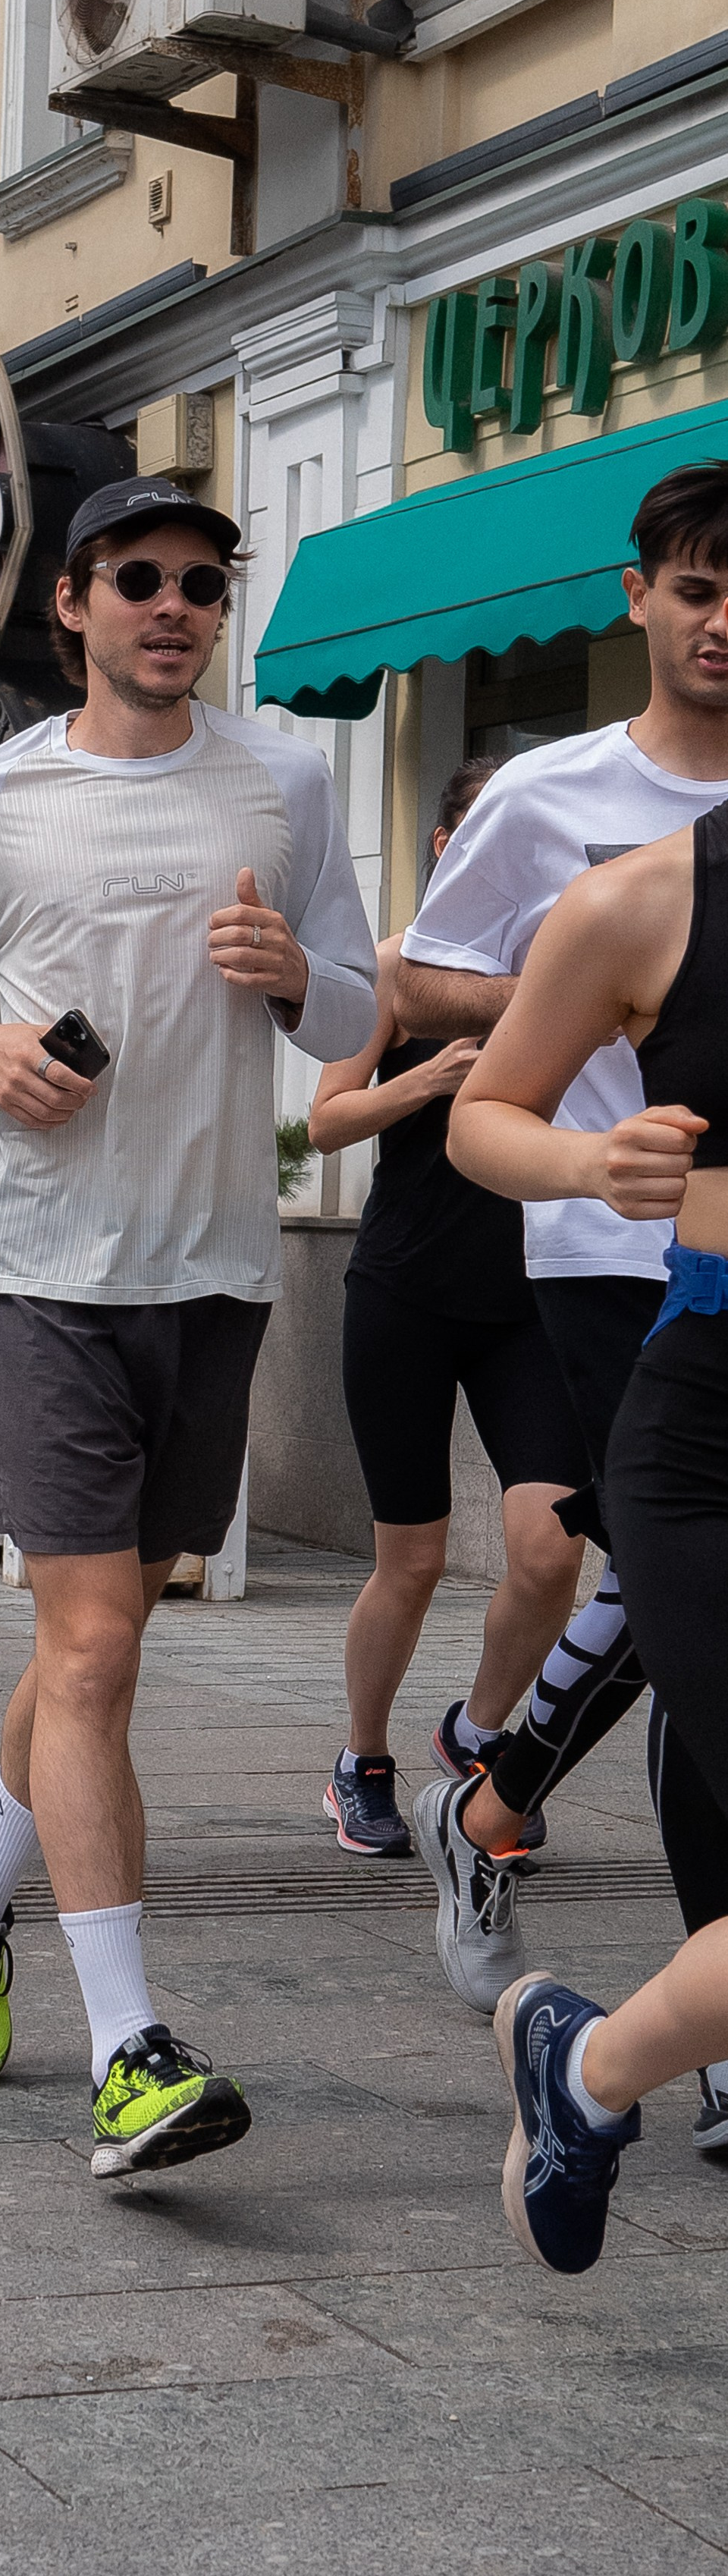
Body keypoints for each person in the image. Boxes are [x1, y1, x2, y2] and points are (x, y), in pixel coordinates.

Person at [0, 475, 378, 2179]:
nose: (174, 605)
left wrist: (294, 975)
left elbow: (356, 1008)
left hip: (213, 1273)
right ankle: (131, 2049)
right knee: (92, 1651)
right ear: (71, 604)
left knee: (108, 1633)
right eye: (138, 577)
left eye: (203, 583)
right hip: (41, 1274)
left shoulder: (286, 779)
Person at [397, 462, 728, 2037]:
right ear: (638, 598)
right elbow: (422, 981)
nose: (722, 624)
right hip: (605, 1236)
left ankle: (494, 1796)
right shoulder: (552, 799)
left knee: (676, 1608)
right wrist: (602, 994)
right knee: (673, 1593)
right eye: (698, 591)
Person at [447, 762, 728, 2263]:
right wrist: (589, 1163)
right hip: (712, 1429)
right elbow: (484, 1114)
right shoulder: (649, 897)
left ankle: (589, 2068)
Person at [309, 761, 586, 1860]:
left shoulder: (575, 971)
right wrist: (425, 1081)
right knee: (412, 1560)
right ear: (444, 847)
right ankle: (361, 1758)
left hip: (533, 1298)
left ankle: (476, 1731)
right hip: (406, 1293)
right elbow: (326, 1121)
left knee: (552, 1550)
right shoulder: (397, 970)